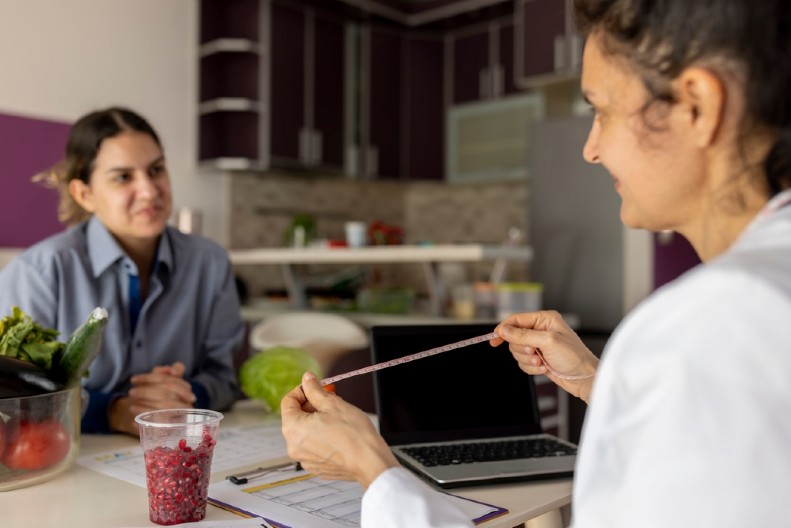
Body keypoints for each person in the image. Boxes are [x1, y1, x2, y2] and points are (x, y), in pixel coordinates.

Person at [280, 0, 791, 525]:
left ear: (696, 107)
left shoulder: (715, 324)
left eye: (601, 110)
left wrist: (373, 469)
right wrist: (599, 381)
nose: (591, 149)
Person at [0, 107, 246, 436]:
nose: (149, 191)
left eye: (156, 170)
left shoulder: (210, 263)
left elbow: (226, 377)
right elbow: (14, 393)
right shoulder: (39, 271)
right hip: (74, 458)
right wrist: (113, 410)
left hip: (180, 445)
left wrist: (185, 396)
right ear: (84, 194)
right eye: (123, 177)